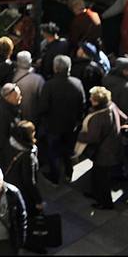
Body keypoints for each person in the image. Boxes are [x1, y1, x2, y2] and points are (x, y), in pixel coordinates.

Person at [77, 86, 128, 210]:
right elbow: (124, 118)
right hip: (113, 147)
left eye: (92, 98)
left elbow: (92, 137)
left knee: (102, 179)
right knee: (97, 174)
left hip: (104, 153)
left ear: (97, 101)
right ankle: (95, 194)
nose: (90, 99)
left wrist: (79, 135)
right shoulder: (112, 105)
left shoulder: (98, 117)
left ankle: (105, 203)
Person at [37, 54, 86, 185]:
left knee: (53, 152)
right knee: (68, 151)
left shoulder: (49, 85)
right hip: (70, 126)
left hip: (53, 126)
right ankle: (69, 173)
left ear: (55, 68)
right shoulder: (77, 83)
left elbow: (42, 107)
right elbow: (82, 105)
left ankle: (55, 176)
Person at [2, 120, 43, 241]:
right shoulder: (27, 155)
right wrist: (38, 200)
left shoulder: (9, 144)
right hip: (23, 192)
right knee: (27, 216)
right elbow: (29, 182)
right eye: (33, 132)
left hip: (10, 185)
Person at [0, 83, 23, 170]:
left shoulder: (5, 104)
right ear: (8, 97)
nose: (21, 97)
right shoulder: (1, 113)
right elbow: (1, 137)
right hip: (1, 152)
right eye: (17, 95)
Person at [11, 51, 46, 124]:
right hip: (33, 118)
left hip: (15, 117)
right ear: (30, 61)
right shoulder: (38, 79)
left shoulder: (11, 76)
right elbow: (43, 100)